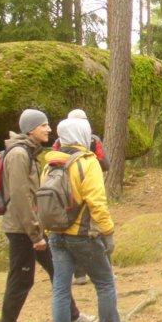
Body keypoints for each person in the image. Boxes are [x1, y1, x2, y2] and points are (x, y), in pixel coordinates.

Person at [0, 109, 96, 322]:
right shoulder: (19, 154)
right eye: (43, 125)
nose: (49, 129)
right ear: (31, 129)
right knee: (21, 279)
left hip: (33, 226)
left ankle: (72, 316)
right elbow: (20, 197)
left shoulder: (28, 152)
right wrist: (35, 234)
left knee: (57, 269)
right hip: (22, 229)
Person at [44, 117, 139, 322]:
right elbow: (97, 203)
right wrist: (108, 233)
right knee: (105, 283)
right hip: (82, 235)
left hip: (56, 234)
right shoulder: (87, 162)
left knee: (60, 290)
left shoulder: (50, 163)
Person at [51, 109, 110, 286]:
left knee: (70, 228)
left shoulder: (58, 142)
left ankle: (79, 274)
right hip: (87, 186)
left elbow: (52, 163)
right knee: (91, 230)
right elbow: (105, 163)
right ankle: (102, 270)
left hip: (62, 192)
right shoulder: (93, 140)